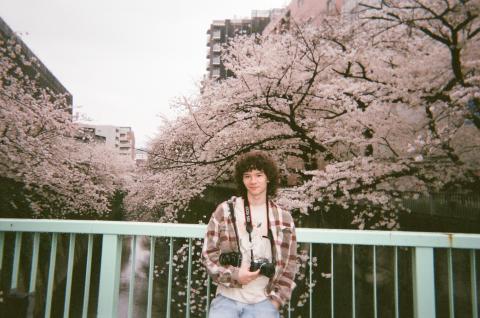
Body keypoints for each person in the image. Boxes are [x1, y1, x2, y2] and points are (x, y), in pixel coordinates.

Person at [202, 151, 297, 318]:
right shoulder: (225, 211)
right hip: (227, 298)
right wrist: (235, 275)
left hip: (264, 301)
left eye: (259, 175)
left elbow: (290, 264)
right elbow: (208, 256)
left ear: (268, 177)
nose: (253, 181)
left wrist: (276, 301)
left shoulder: (284, 218)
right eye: (247, 176)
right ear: (241, 179)